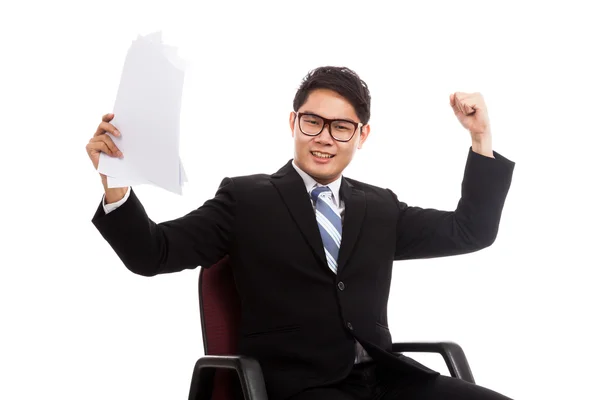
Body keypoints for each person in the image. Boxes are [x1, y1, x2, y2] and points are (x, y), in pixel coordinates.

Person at [87, 66, 515, 400]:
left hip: (390, 382)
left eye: (341, 127)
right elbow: (153, 254)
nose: (324, 138)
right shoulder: (245, 199)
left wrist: (480, 136)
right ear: (293, 122)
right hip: (303, 391)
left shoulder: (379, 206)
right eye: (312, 122)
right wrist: (117, 187)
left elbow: (470, 230)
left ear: (361, 135)